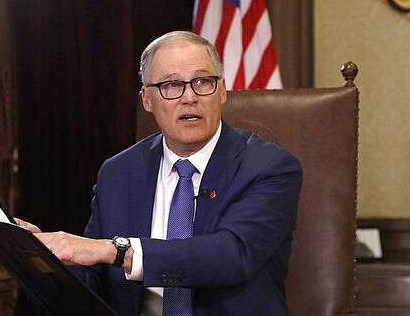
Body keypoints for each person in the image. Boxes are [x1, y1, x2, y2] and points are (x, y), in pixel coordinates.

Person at [16, 30, 302, 315]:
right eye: (172, 85)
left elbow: (231, 255)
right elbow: (96, 281)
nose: (189, 97)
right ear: (147, 100)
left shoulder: (269, 167)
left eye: (203, 82)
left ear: (223, 90)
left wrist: (116, 251)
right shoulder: (119, 172)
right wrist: (41, 259)